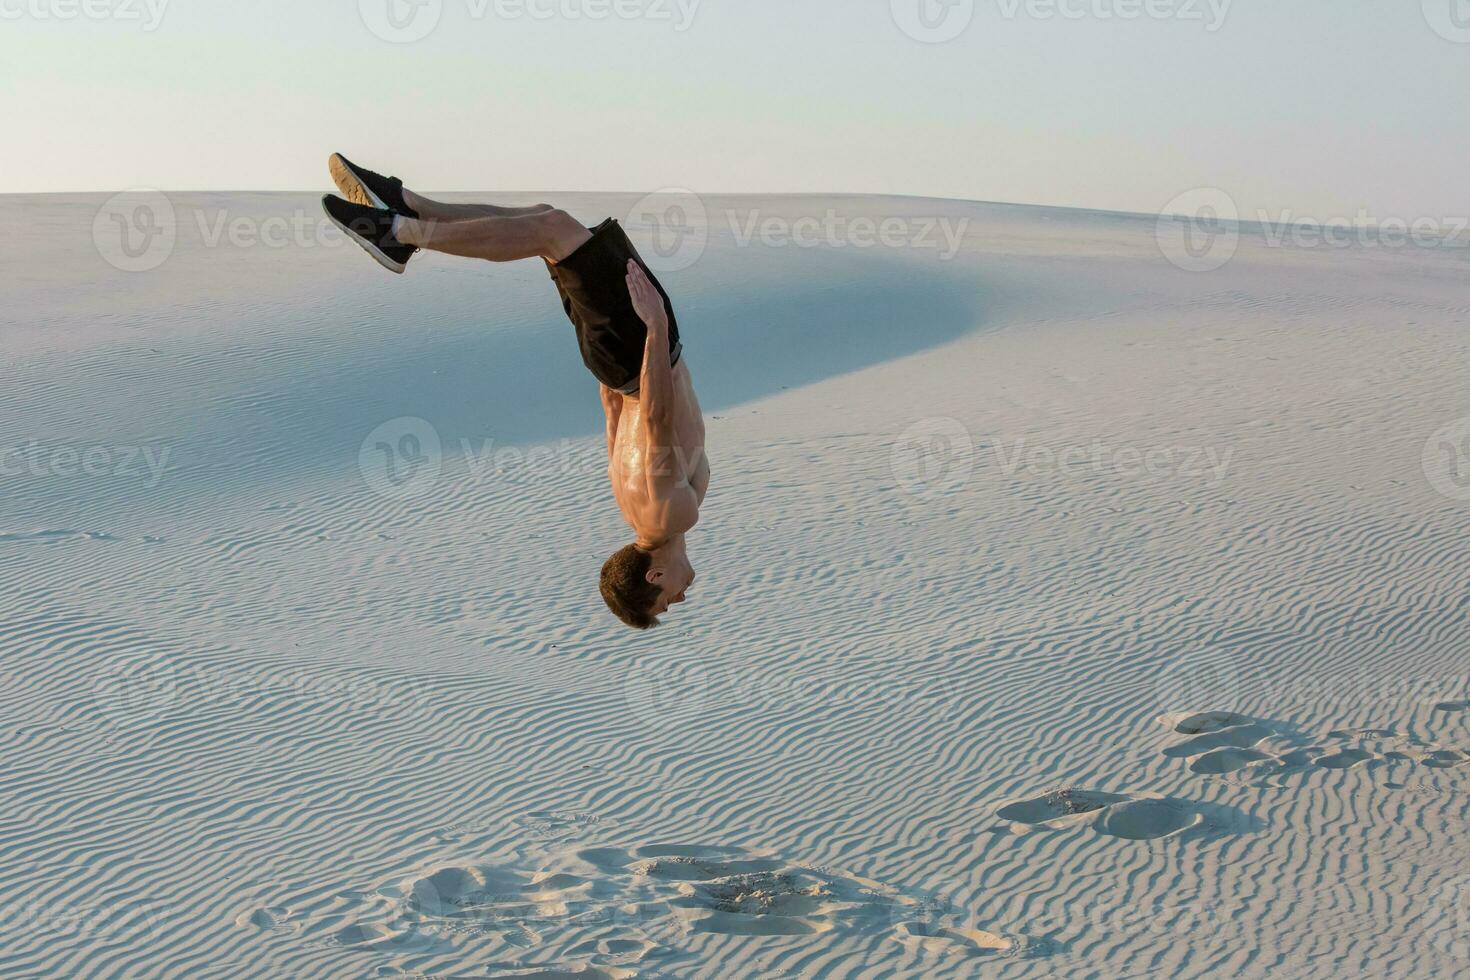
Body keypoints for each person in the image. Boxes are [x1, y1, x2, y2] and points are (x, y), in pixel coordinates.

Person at [321, 154, 708, 629]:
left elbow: (655, 421)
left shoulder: (670, 515)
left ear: (655, 574)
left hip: (638, 355)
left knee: (551, 231)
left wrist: (653, 328)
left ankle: (401, 232)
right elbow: (613, 416)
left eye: (666, 600)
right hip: (618, 368)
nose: (679, 598)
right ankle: (408, 207)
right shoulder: (632, 507)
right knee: (550, 227)